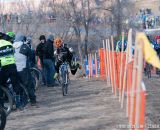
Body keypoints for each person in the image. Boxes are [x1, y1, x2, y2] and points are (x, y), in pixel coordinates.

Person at [13, 33, 37, 106]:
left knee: (18, 86)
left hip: (14, 69)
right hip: (24, 69)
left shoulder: (12, 47)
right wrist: (33, 62)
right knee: (29, 85)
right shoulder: (24, 46)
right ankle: (33, 101)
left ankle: (22, 101)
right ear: (22, 39)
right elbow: (32, 56)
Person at [0, 32, 22, 109]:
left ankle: (2, 106)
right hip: (12, 65)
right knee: (15, 84)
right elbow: (13, 54)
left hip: (3, 67)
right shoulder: (9, 44)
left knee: (1, 86)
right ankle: (19, 105)